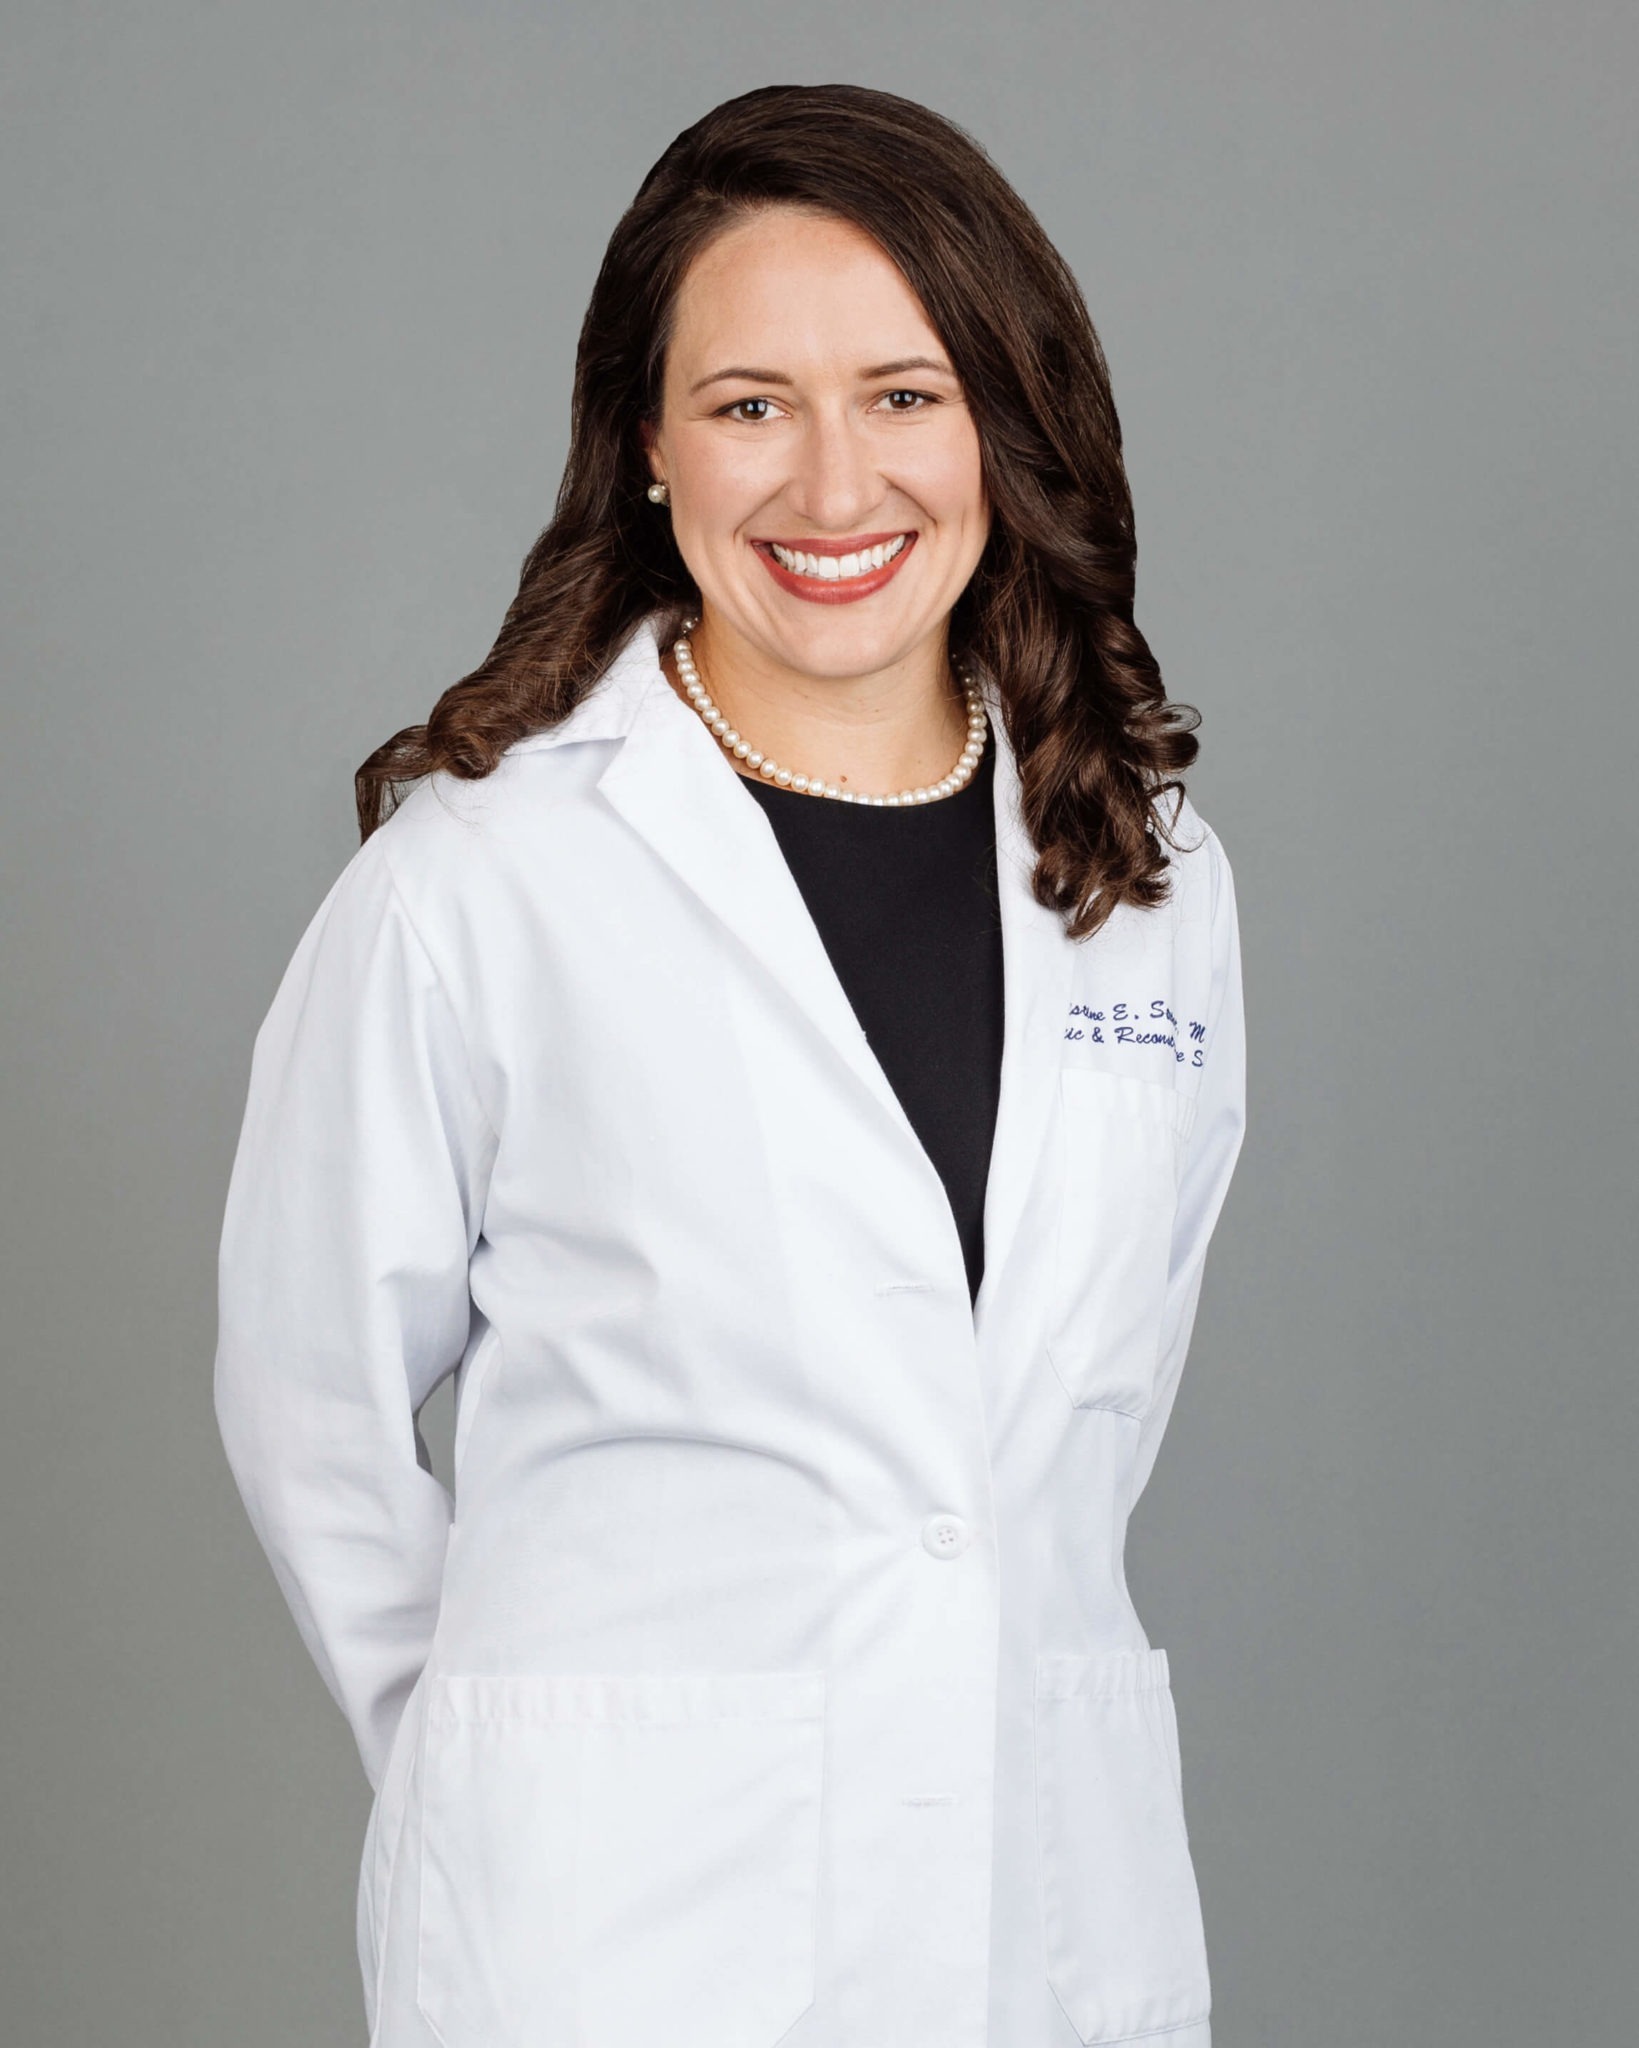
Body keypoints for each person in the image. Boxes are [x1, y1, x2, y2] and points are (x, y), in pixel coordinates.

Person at [213, 81, 1246, 2048]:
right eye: (752, 403)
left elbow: (1080, 1414)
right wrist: (507, 1760)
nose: (834, 487)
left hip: (1042, 1903)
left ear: (1002, 426)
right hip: (615, 1934)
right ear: (649, 446)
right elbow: (302, 1396)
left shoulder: (1150, 880)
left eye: (905, 395)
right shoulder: (483, 878)